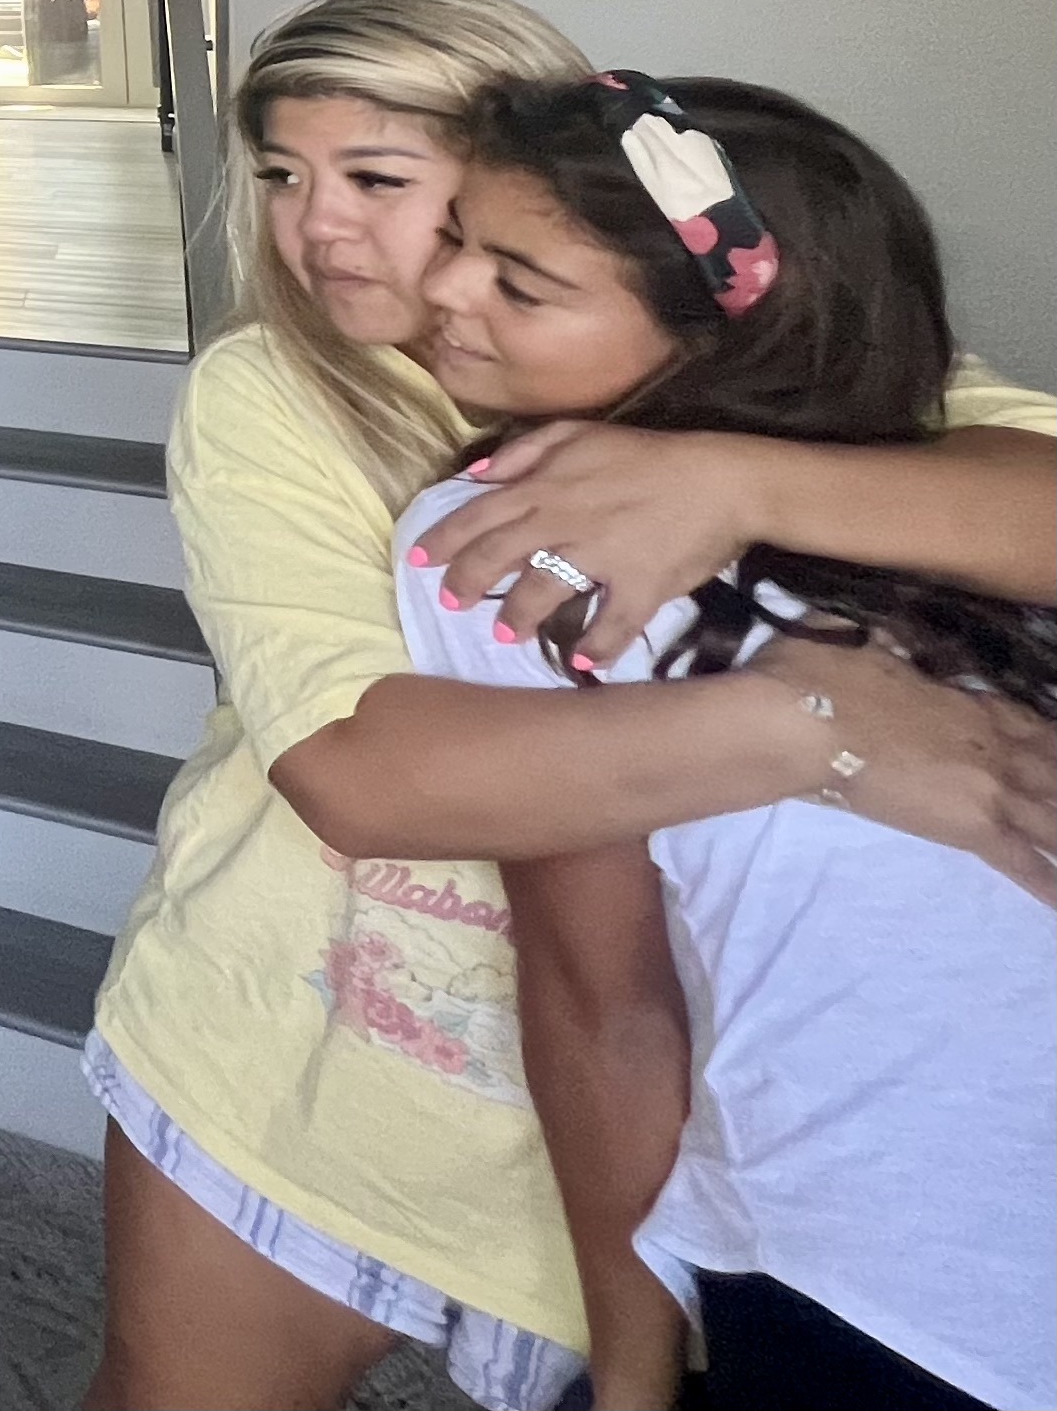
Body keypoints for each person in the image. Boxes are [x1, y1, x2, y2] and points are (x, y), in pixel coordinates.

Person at [80, 0, 1057, 1411]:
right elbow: (362, 773)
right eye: (281, 176)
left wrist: (733, 477)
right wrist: (818, 725)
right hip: (309, 1056)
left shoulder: (723, 321)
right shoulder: (280, 394)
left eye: (378, 179)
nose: (315, 226)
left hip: (648, 1126)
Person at [398, 72, 1053, 1411]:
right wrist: (633, 1374)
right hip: (891, 1262)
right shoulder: (508, 540)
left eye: (520, 281)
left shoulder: (944, 494)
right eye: (458, 238)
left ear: (721, 333)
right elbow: (600, 992)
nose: (442, 288)